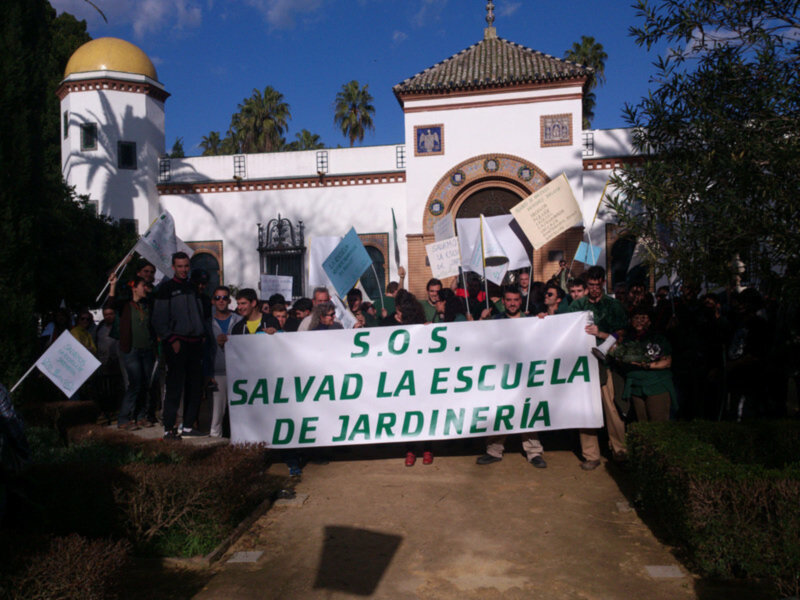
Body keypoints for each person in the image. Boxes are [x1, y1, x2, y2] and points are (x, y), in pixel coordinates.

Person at [476, 286, 547, 468]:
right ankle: (494, 450)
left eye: (516, 300)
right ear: (503, 301)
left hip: (525, 374)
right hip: (501, 375)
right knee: (500, 411)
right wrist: (481, 320)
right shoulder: (496, 320)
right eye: (509, 300)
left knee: (527, 412)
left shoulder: (531, 320)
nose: (513, 303)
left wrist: (543, 323)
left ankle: (534, 452)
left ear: (520, 301)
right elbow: (479, 338)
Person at [567, 266, 629, 470]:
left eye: (597, 284)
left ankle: (619, 449)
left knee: (611, 408)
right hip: (583, 365)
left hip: (605, 363)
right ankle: (591, 455)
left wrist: (600, 334)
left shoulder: (613, 305)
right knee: (586, 408)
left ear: (603, 283)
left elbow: (621, 331)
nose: (594, 288)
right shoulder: (577, 305)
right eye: (590, 285)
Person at [151, 252, 207, 441]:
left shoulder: (193, 288)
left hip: (195, 343)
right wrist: (171, 338)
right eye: (180, 266)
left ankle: (188, 426)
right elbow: (158, 319)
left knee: (195, 387)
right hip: (177, 343)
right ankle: (169, 428)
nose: (184, 270)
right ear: (173, 267)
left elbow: (199, 314)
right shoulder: (165, 288)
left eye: (186, 266)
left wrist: (203, 335)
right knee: (175, 387)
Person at [107, 274, 157, 430]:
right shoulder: (125, 305)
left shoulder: (146, 304)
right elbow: (110, 304)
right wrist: (113, 285)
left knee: (145, 383)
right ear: (134, 288)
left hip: (147, 349)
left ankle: (140, 416)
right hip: (131, 350)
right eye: (143, 286)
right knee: (135, 383)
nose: (146, 289)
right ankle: (124, 419)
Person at [615, 306, 676, 423]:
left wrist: (646, 365)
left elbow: (667, 362)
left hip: (656, 386)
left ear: (649, 321)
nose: (639, 321)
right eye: (636, 318)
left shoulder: (658, 338)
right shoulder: (627, 339)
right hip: (636, 388)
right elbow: (619, 357)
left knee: (658, 424)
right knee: (641, 425)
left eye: (643, 318)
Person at [209, 286, 241, 437]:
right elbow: (204, 350)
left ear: (229, 300)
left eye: (224, 297)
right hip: (218, 371)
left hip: (239, 371)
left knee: (241, 411)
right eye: (217, 298)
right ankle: (215, 443)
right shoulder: (207, 323)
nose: (221, 301)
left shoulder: (239, 320)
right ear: (213, 301)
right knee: (217, 413)